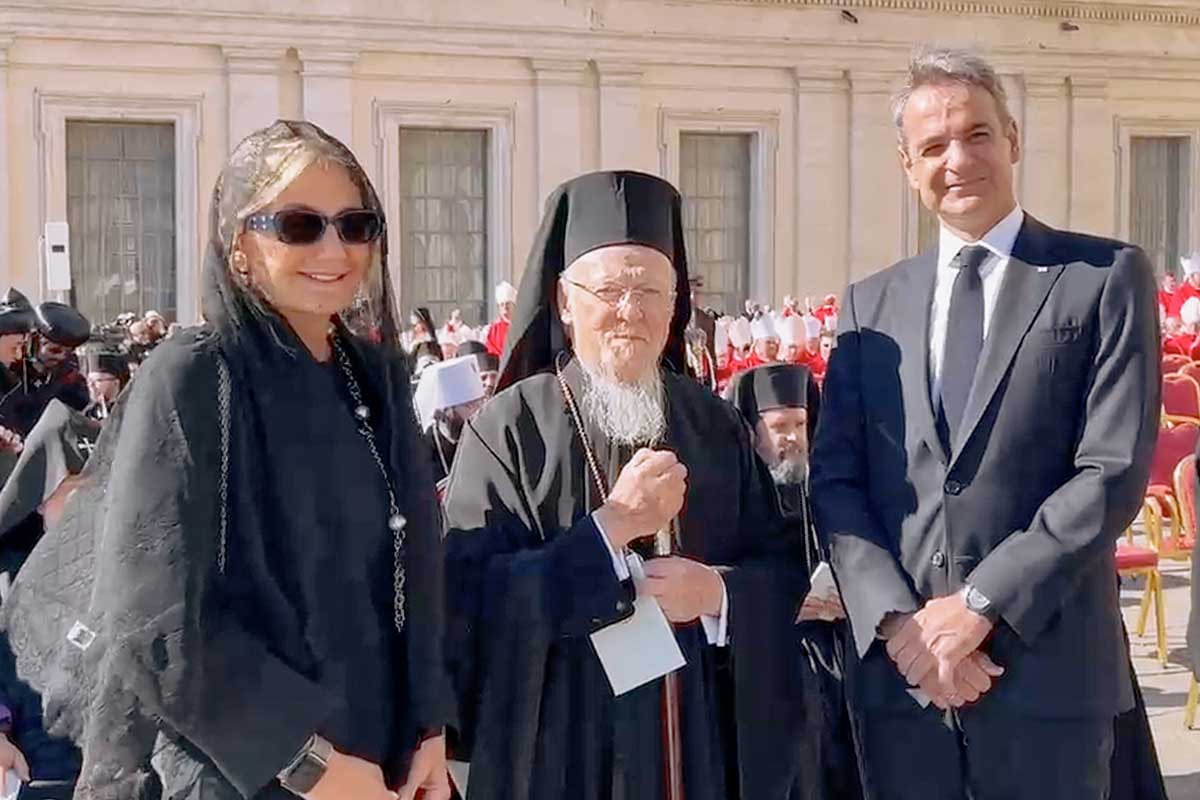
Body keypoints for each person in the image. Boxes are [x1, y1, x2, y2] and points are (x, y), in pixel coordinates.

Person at [2, 121, 454, 800]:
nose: (334, 249)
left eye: (355, 225)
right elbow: (153, 621)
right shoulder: (197, 374)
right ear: (239, 245)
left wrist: (429, 727)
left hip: (379, 759)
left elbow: (410, 570)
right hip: (244, 771)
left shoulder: (372, 377)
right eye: (299, 226)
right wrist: (310, 765)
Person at [811, 48, 1160, 800]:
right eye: (934, 145)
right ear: (908, 166)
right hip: (905, 687)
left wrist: (977, 607)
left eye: (976, 135)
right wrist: (901, 626)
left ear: (1013, 140)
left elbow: (1110, 472)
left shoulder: (1102, 277)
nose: (958, 160)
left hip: (1049, 677)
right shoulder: (871, 306)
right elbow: (836, 481)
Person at [442, 170, 805, 800]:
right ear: (564, 301)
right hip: (560, 751)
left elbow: (782, 569)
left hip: (696, 750)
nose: (630, 312)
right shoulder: (507, 428)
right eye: (609, 290)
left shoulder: (713, 424)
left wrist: (716, 594)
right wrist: (606, 533)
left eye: (649, 291)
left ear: (674, 305)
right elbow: (465, 602)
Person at [727, 363, 864, 800]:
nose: (791, 438)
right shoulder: (734, 497)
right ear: (752, 432)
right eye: (779, 427)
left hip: (835, 658)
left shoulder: (825, 489)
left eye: (799, 425)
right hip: (771, 666)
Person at [414, 355, 487, 486]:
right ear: (442, 413)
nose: (478, 411)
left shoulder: (486, 438)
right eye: (468, 405)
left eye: (481, 402)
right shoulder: (421, 455)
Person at [81, 347, 132, 421]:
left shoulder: (130, 408)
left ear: (116, 383)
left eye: (98, 380)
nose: (91, 386)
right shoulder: (87, 414)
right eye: (89, 381)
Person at [484, 282, 517, 357]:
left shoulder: (521, 325)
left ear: (514, 305)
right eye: (502, 305)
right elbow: (490, 351)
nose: (505, 308)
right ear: (498, 308)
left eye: (508, 304)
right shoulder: (494, 329)